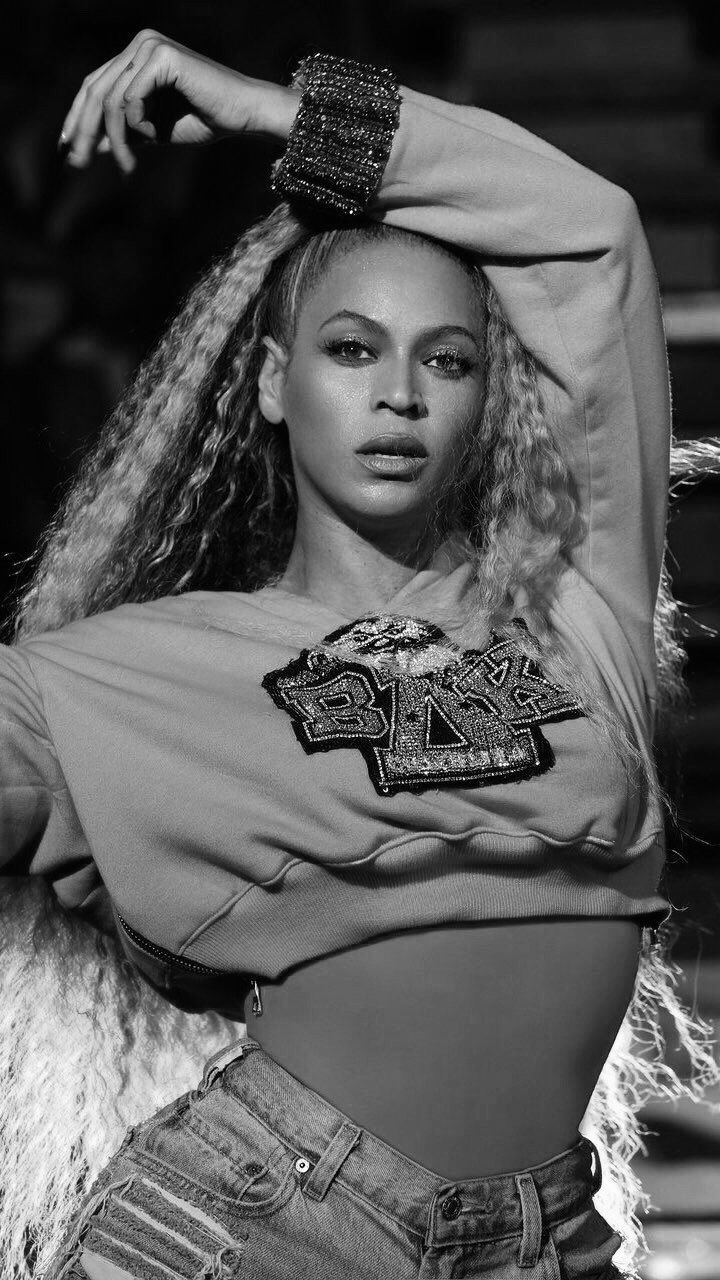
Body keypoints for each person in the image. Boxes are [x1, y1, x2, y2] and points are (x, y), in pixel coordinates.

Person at [1, 30, 718, 1280]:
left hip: (547, 1239)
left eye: (447, 360)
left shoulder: (572, 613)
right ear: (276, 383)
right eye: (352, 349)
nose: (400, 394)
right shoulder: (126, 675)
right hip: (262, 1223)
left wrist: (286, 117)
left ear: (488, 396)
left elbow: (586, 231)